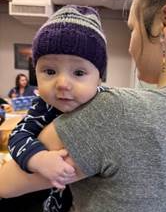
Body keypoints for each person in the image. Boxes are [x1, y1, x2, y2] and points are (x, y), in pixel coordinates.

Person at [1, 0, 166, 211]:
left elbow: (4, 184)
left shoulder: (111, 110)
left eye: (132, 29)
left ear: (164, 22)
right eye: (49, 71)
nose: (62, 84)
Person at [7, 5, 107, 212]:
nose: (62, 83)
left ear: (99, 77)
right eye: (50, 71)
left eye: (78, 73)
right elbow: (18, 136)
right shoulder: (44, 107)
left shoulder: (106, 107)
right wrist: (39, 158)